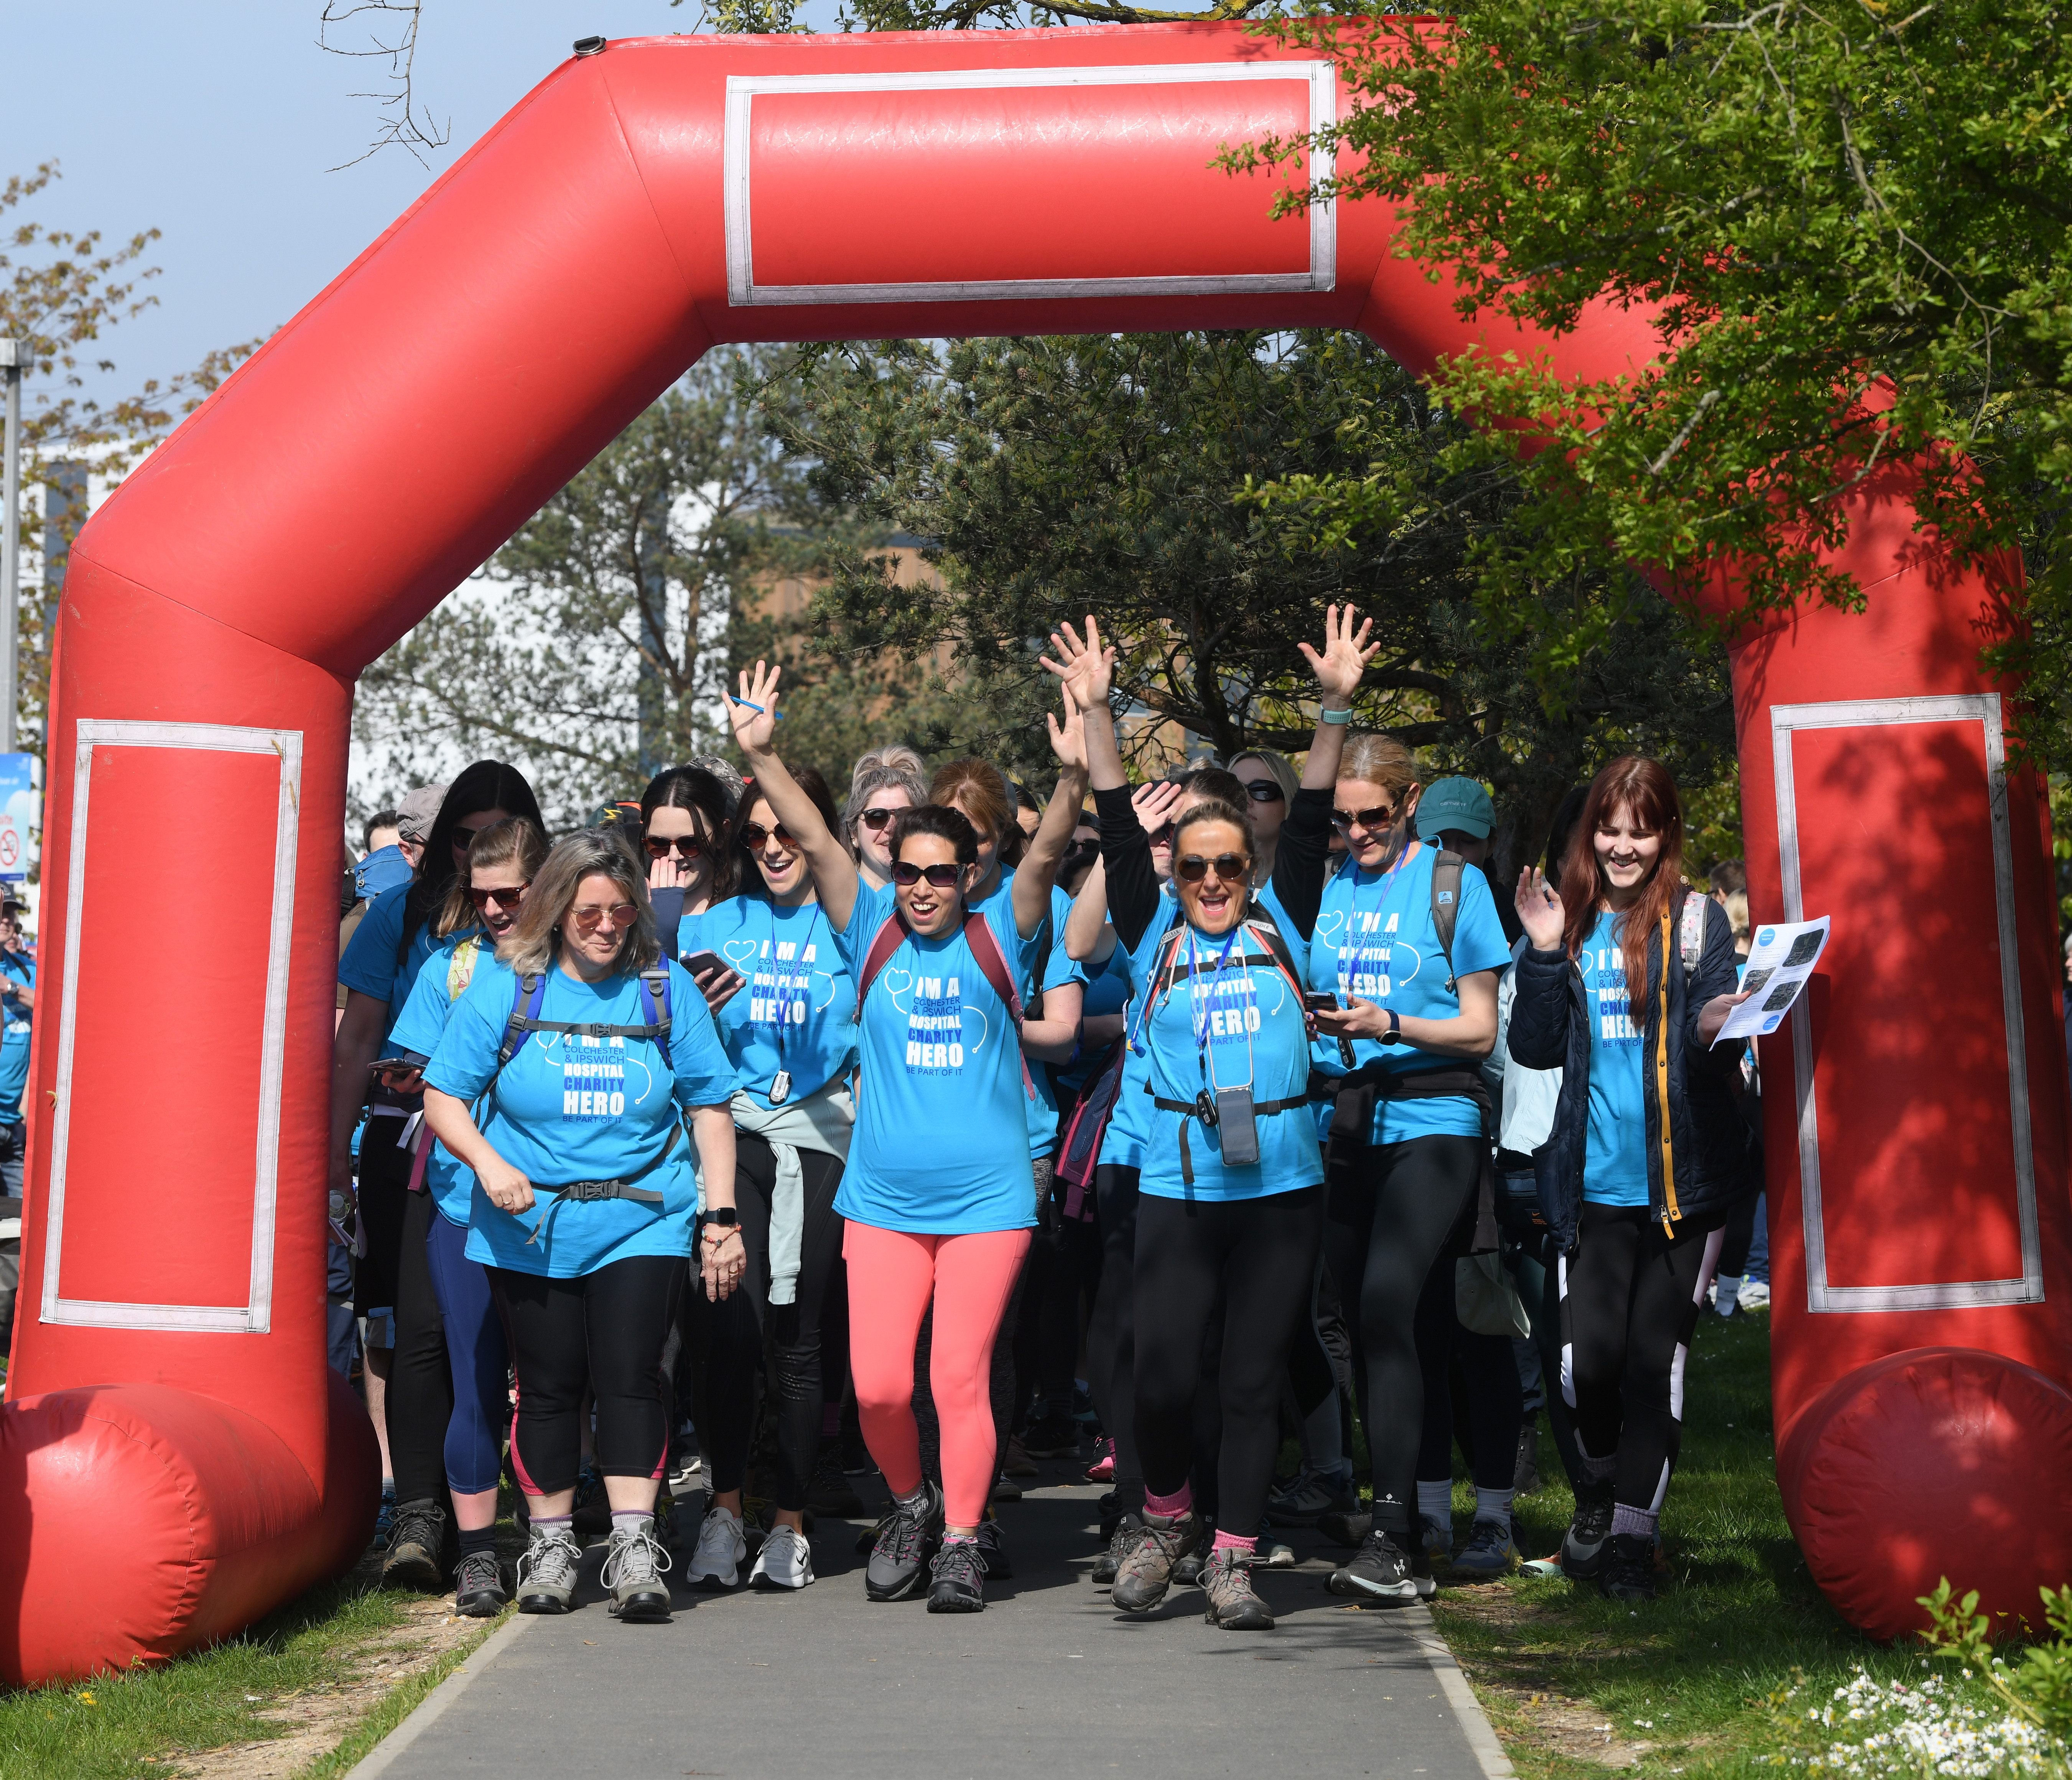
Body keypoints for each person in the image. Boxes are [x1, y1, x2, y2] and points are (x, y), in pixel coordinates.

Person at [727, 659, 1086, 1614]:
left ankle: (962, 1541)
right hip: (880, 1201)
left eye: (940, 873)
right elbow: (808, 830)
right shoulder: (868, 930)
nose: (921, 887)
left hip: (987, 1204)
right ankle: (910, 1504)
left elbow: (1047, 854)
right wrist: (759, 756)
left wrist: (1076, 767)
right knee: (880, 1387)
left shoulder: (997, 932)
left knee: (955, 1373)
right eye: (908, 871)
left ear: (967, 875)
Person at [1041, 609, 1361, 1632]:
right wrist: (1096, 713)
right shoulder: (1151, 925)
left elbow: (1309, 811)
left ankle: (1230, 1556)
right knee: (1165, 1374)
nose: (1213, 882)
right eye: (1195, 868)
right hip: (1176, 1183)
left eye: (1228, 867)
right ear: (1171, 873)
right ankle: (1167, 1517)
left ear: (1250, 870)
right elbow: (1107, 806)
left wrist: (1334, 708)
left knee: (1250, 1378)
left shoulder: (1287, 916)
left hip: (1279, 1185)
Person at [423, 830, 742, 1623]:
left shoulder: (665, 989)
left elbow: (708, 1106)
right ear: (557, 906)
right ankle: (554, 1542)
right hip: (529, 1223)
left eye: (622, 910)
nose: (606, 926)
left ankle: (635, 1545)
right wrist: (490, 1165)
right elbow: (443, 1096)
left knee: (631, 1373)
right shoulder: (508, 986)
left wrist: (720, 1214)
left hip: (642, 1215)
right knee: (550, 1382)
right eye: (589, 911)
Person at [1509, 756, 1750, 1602]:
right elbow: (1534, 1047)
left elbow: (1707, 1031)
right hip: (1590, 1188)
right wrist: (1541, 953)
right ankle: (1607, 1499)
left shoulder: (1695, 920)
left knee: (1656, 1365)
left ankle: (1628, 1543)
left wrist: (1721, 1015)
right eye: (1608, 827)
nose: (1620, 845)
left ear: (1665, 835)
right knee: (1586, 1367)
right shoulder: (1563, 922)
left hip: (1688, 1189)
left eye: (1639, 828)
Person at [1304, 734, 1512, 1607]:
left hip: (1434, 1116)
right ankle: (1411, 1514)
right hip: (1345, 1121)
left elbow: (1477, 1029)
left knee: (1388, 1300)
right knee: (1365, 1318)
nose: (1356, 832)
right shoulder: (1330, 891)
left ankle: (1395, 1534)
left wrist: (1387, 1023)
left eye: (1373, 816)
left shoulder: (1451, 887)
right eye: (1343, 819)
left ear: (1408, 803)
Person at [333, 764, 545, 1540]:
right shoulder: (406, 915)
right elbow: (360, 1041)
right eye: (463, 837)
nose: (478, 858)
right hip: (417, 1149)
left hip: (539, 1163)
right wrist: (334, 1163)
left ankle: (535, 1514)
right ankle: (421, 1515)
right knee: (416, 1335)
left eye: (497, 839)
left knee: (527, 1347)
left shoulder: (566, 930)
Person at [676, 764, 859, 1593]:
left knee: (799, 1330)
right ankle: (723, 1508)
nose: (774, 847)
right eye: (756, 834)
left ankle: (788, 1522)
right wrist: (701, 1010)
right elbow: (681, 1050)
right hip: (738, 1128)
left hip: (824, 1129)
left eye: (787, 830)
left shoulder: (855, 917)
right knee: (730, 1324)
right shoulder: (716, 921)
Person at [383, 816, 548, 1612]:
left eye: (510, 892)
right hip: (462, 1199)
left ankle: (574, 1535)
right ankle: (480, 1554)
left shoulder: (592, 965)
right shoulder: (449, 969)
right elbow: (405, 1065)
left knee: (561, 1382)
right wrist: (407, 1077)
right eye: (480, 894)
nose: (493, 907)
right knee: (475, 1381)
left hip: (568, 1205)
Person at [1392, 774, 1525, 1577]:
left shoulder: (1511, 916)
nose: (1450, 857)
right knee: (1423, 1331)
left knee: (1484, 1334)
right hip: (1420, 1142)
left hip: (1500, 1154)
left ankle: (1497, 1515)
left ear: (1488, 843)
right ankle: (1433, 1507)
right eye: (1436, 840)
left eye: (1464, 843)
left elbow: (1507, 1044)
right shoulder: (1403, 900)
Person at [0, 893, 32, 1360]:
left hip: (16, 1127)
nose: (8, 921)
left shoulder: (24, 968)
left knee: (19, 1228)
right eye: (1, 915)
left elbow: (52, 1005)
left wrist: (11, 990)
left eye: (9, 915)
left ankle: (11, 1341)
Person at [844, 748, 931, 890]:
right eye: (877, 817)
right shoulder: (832, 902)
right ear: (854, 833)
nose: (891, 828)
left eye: (903, 816)